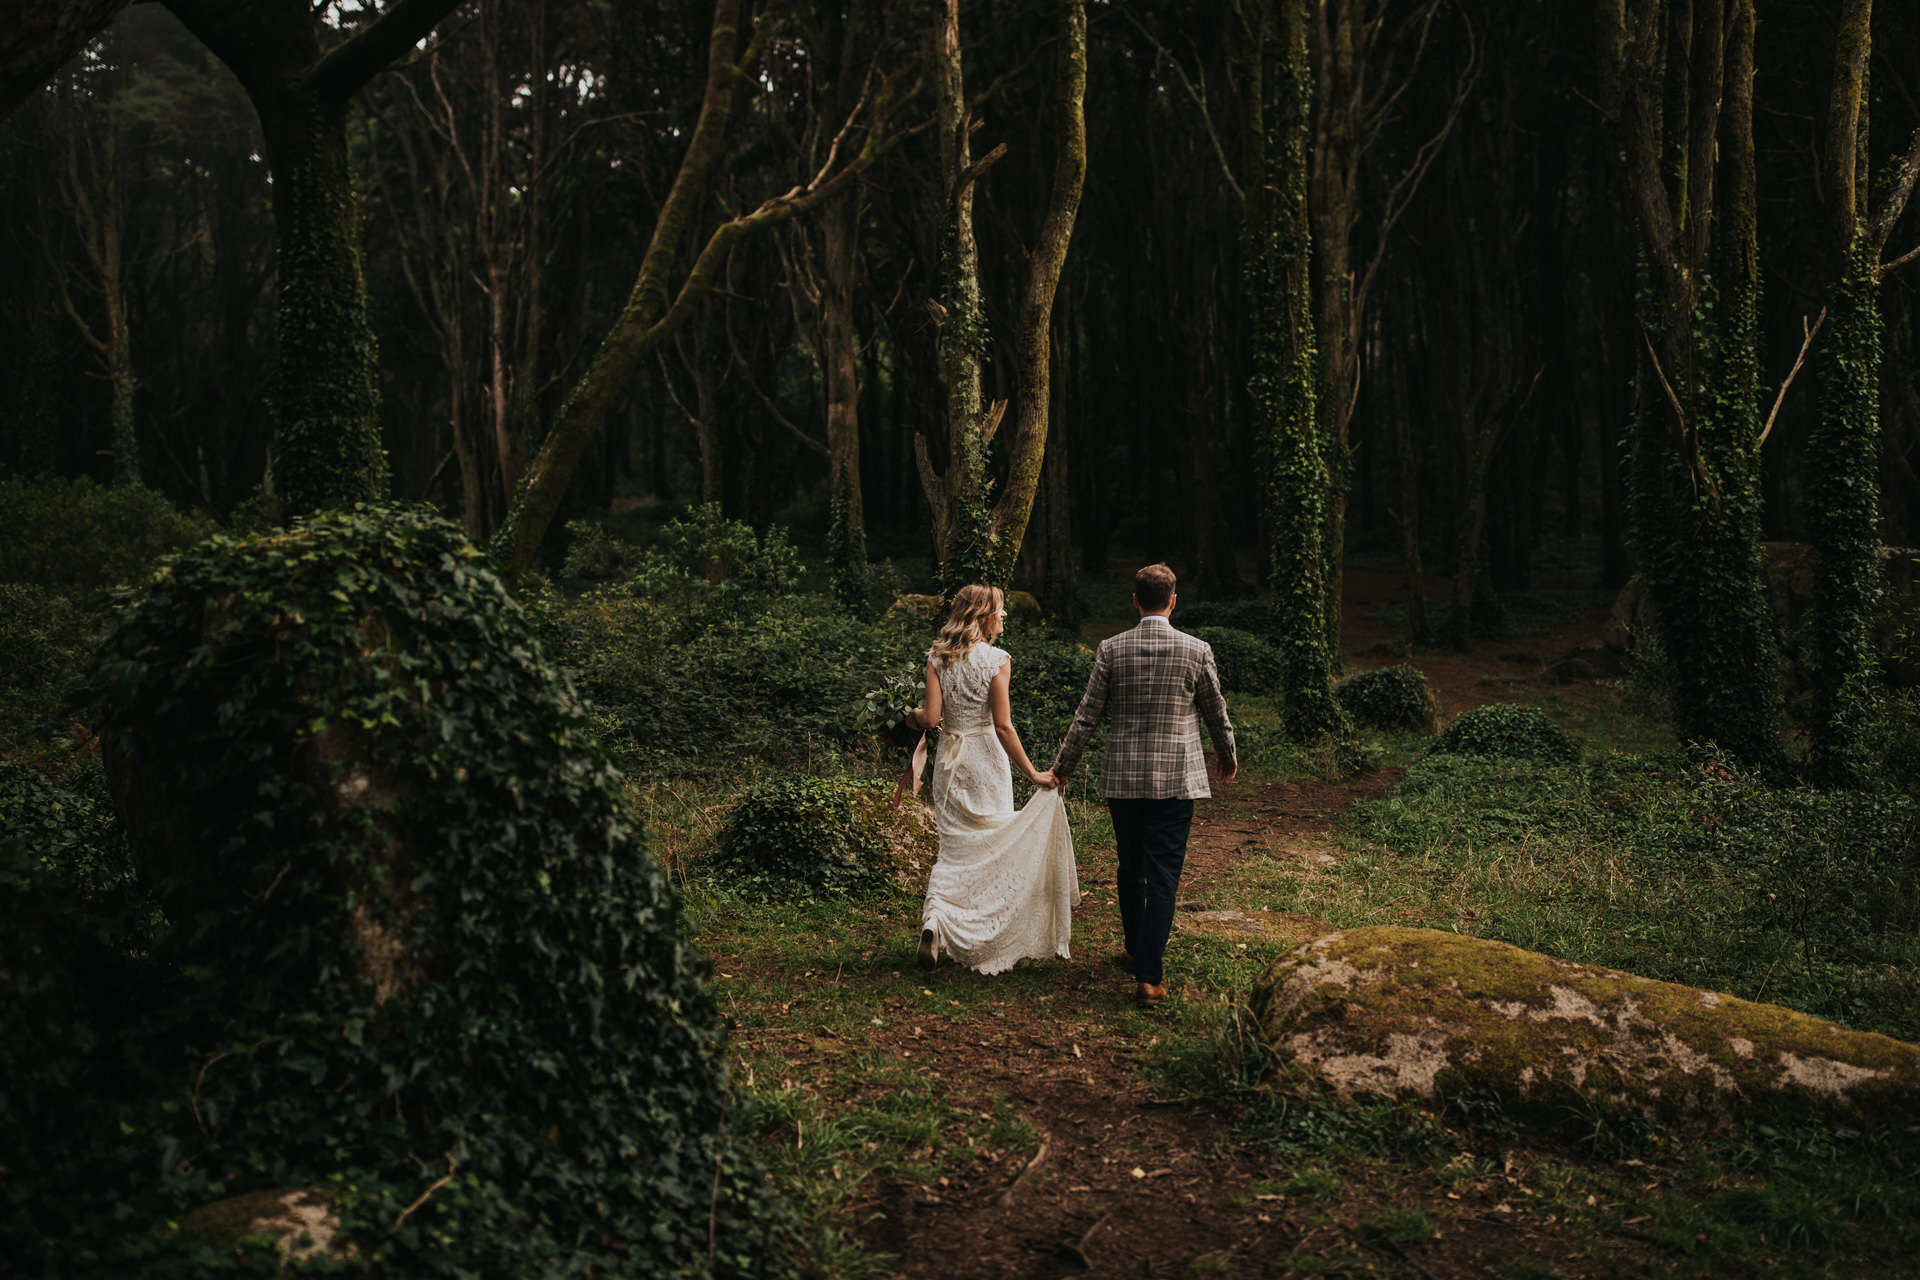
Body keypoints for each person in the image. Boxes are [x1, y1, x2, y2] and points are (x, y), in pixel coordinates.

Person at [1049, 563, 1236, 1008]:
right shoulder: (1196, 649)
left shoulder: (1112, 649)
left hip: (1124, 779)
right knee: (1164, 876)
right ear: (1173, 600)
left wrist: (1062, 767)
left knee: (1130, 866)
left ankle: (1136, 947)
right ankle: (1149, 976)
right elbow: (1215, 708)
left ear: (1135, 600)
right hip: (1176, 779)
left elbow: (1086, 715)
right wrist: (1227, 753)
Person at [905, 584, 1079, 974]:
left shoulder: (937, 657)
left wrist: (908, 715)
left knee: (954, 850)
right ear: (982, 615)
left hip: (951, 766)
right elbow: (1003, 726)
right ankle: (981, 931)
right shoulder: (997, 659)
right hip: (986, 763)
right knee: (991, 845)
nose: (1004, 616)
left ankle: (935, 921)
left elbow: (931, 719)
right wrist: (1033, 773)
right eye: (999, 610)